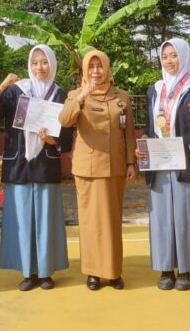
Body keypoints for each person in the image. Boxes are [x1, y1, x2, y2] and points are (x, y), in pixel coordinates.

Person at [136, 38, 190, 291]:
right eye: (165, 56)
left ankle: (185, 270)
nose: (169, 61)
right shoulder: (155, 89)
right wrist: (142, 143)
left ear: (184, 57)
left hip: (189, 163)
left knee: (187, 216)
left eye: (174, 55)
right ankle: (166, 269)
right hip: (159, 162)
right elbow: (149, 126)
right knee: (162, 218)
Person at [0, 45, 72, 291]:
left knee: (46, 221)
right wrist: (2, 86)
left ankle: (45, 273)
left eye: (44, 62)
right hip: (19, 166)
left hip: (46, 165)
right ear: (29, 65)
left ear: (52, 65)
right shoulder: (17, 91)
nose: (39, 67)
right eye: (35, 62)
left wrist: (52, 140)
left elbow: (67, 138)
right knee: (22, 222)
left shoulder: (60, 95)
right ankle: (28, 273)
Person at [58, 50, 136, 291]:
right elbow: (64, 120)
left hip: (115, 166)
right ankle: (92, 272)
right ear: (84, 70)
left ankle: (113, 272)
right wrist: (83, 94)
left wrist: (131, 162)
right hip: (88, 169)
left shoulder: (122, 96)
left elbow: (129, 133)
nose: (95, 71)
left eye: (99, 66)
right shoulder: (75, 95)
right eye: (90, 67)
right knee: (90, 222)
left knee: (112, 222)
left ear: (107, 68)